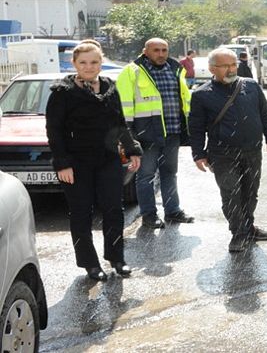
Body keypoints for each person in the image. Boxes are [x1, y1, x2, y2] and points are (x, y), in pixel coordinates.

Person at [46, 41, 143, 281]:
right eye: (83, 62)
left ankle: (117, 258)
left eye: (94, 62)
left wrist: (132, 149)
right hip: (76, 163)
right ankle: (89, 263)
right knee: (81, 212)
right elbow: (54, 130)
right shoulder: (63, 92)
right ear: (74, 64)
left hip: (107, 160)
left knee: (113, 209)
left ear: (101, 62)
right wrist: (62, 163)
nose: (89, 67)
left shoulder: (110, 87)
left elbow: (119, 122)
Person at [189, 48, 267, 253]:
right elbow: (195, 128)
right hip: (222, 154)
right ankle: (238, 233)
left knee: (250, 193)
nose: (230, 69)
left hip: (252, 150)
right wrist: (198, 154)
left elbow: (265, 114)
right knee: (231, 194)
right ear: (212, 69)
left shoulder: (251, 86)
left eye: (233, 65)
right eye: (225, 66)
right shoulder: (202, 94)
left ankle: (249, 227)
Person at [117, 38, 194, 229]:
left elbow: (184, 99)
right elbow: (123, 107)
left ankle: (173, 211)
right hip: (146, 135)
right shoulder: (132, 72)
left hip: (172, 132)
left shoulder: (175, 69)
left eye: (164, 50)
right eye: (156, 50)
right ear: (145, 52)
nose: (160, 54)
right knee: (145, 176)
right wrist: (129, 137)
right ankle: (149, 215)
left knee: (170, 173)